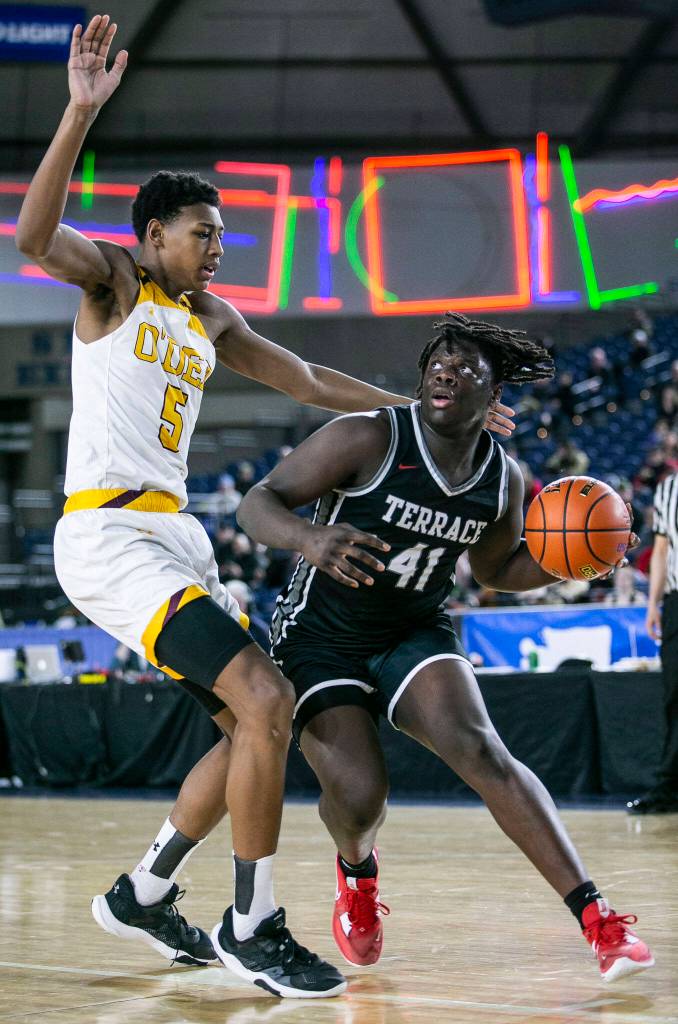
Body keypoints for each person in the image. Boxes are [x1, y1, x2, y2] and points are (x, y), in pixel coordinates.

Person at [15, 15, 515, 998]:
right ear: (152, 235)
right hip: (109, 533)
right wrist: (78, 113)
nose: (217, 248)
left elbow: (306, 377)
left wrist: (413, 408)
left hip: (174, 532)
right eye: (203, 234)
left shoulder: (210, 316)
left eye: (222, 236)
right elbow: (35, 237)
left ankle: (145, 891)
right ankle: (253, 922)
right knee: (268, 700)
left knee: (251, 730)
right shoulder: (115, 285)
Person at [238, 312, 654, 984]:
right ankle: (356, 875)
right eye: (438, 361)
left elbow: (494, 571)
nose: (446, 370)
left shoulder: (504, 478)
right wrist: (308, 540)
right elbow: (258, 503)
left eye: (465, 366)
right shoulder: (368, 437)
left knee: (484, 751)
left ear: (495, 396)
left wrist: (566, 563)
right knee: (363, 795)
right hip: (322, 638)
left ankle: (598, 920)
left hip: (413, 627)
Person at [627, 470, 678, 814]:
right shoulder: (669, 489)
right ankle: (669, 788)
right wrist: (653, 604)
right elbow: (660, 550)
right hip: (676, 600)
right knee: (674, 694)